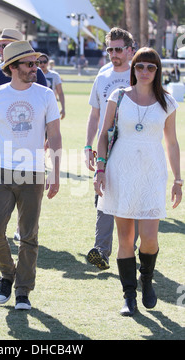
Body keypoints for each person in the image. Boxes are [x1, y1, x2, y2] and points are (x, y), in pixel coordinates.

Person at [0, 41, 62, 310]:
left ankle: (23, 290)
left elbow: (55, 135)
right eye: (29, 64)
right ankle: (8, 274)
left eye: (36, 63)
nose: (35, 68)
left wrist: (56, 172)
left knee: (28, 235)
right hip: (1, 171)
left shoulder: (46, 95)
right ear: (13, 67)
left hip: (33, 172)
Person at [95, 47, 182, 316]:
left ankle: (146, 278)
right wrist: (99, 169)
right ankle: (129, 296)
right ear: (133, 69)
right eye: (140, 66)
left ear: (158, 71)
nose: (145, 71)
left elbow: (172, 142)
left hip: (152, 172)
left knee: (149, 239)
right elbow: (103, 134)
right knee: (125, 238)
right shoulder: (118, 96)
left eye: (151, 67)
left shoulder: (167, 101)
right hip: (121, 169)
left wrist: (178, 179)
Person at [84, 27, 135, 270]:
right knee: (102, 197)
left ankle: (130, 249)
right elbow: (94, 115)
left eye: (118, 49)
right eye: (109, 49)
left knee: (131, 200)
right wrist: (87, 145)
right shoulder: (102, 76)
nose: (113, 54)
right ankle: (101, 251)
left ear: (129, 50)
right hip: (106, 146)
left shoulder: (140, 74)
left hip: (133, 147)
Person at [38, 53, 65, 120]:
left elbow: (60, 92)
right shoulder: (33, 75)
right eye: (40, 62)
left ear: (48, 63)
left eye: (44, 62)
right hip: (37, 105)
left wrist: (63, 108)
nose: (42, 64)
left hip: (51, 106)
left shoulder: (54, 75)